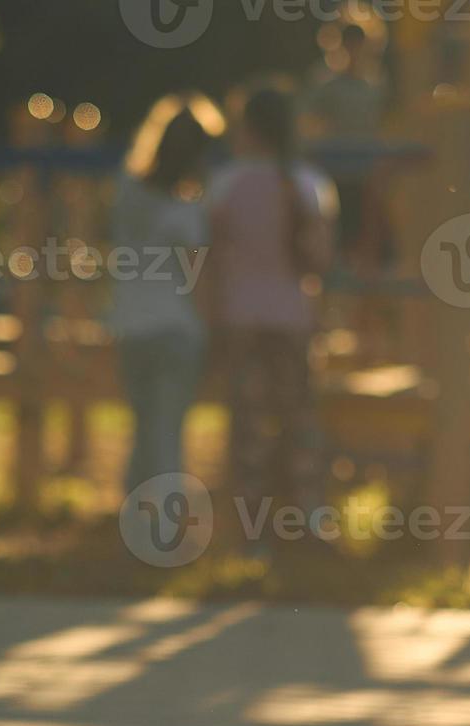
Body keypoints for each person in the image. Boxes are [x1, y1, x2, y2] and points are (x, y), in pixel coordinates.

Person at [204, 88, 336, 553]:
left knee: (248, 429)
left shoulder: (223, 185)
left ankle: (251, 534)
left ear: (249, 128)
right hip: (292, 316)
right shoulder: (307, 184)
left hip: (240, 317)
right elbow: (319, 259)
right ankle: (306, 521)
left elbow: (214, 259)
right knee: (299, 422)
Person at [110, 93, 224, 499]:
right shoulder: (187, 211)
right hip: (177, 329)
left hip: (131, 326)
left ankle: (134, 515)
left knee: (143, 427)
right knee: (167, 432)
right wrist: (215, 334)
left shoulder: (127, 193)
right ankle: (164, 526)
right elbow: (199, 280)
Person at [302, 22, 388, 272]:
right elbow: (310, 121)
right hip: (334, 171)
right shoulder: (327, 85)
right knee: (336, 232)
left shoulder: (374, 87)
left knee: (364, 235)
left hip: (364, 172)